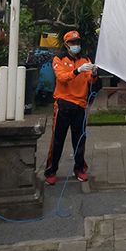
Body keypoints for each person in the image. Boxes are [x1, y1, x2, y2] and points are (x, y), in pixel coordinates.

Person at [44, 30, 98, 184]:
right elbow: (61, 77)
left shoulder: (85, 60)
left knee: (79, 139)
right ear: (66, 44)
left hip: (80, 105)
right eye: (73, 43)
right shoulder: (58, 59)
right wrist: (76, 71)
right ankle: (51, 171)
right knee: (57, 140)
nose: (76, 45)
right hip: (63, 104)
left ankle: (80, 169)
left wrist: (93, 73)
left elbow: (91, 82)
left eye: (77, 42)